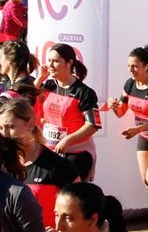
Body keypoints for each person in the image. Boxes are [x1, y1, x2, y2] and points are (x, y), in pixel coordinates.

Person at [0, 96, 78, 232]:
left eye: (10, 127)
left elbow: (83, 206)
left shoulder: (56, 166)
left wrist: (61, 231)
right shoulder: (0, 166)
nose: (5, 134)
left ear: (30, 125)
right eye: (0, 128)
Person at [108, 45, 148, 220]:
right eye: (129, 66)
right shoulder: (129, 84)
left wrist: (136, 130)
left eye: (135, 66)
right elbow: (121, 112)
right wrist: (114, 107)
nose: (131, 70)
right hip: (143, 137)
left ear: (146, 66)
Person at [38, 44, 101, 180]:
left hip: (77, 152)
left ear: (69, 63)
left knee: (70, 195)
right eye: (49, 60)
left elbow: (92, 125)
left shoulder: (84, 92)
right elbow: (26, 101)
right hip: (50, 150)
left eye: (55, 61)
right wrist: (39, 79)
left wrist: (67, 140)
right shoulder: (48, 85)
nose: (50, 65)